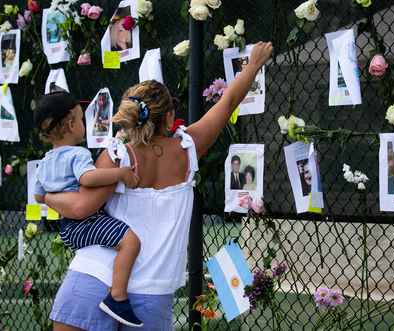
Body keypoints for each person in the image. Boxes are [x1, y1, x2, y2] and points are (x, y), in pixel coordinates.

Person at [45, 41, 273, 331]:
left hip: (93, 277)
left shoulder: (117, 155)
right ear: (168, 116)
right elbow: (227, 102)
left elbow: (80, 208)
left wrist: (48, 196)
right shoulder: (189, 149)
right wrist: (252, 65)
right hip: (152, 293)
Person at [33, 92, 144, 328]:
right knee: (131, 242)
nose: (84, 125)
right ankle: (118, 297)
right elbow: (87, 179)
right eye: (82, 120)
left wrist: (58, 198)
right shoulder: (78, 154)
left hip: (67, 228)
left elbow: (39, 196)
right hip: (87, 223)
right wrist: (121, 174)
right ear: (71, 124)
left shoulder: (44, 162)